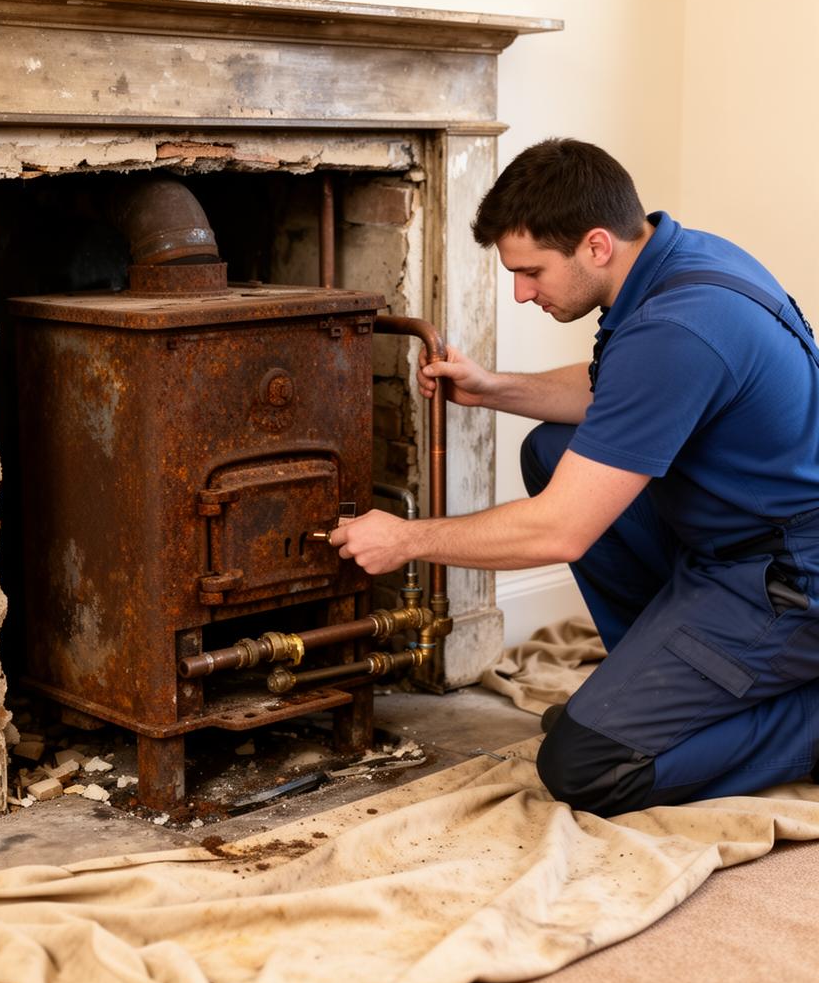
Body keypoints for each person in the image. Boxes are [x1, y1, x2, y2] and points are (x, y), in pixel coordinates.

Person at [329, 138, 819, 815]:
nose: (521, 292)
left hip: (789, 580)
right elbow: (619, 392)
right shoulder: (678, 260)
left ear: (595, 245)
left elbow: (560, 531)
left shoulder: (679, 326)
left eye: (531, 272)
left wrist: (406, 540)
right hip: (737, 544)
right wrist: (494, 387)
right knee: (553, 451)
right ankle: (658, 687)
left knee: (587, 765)